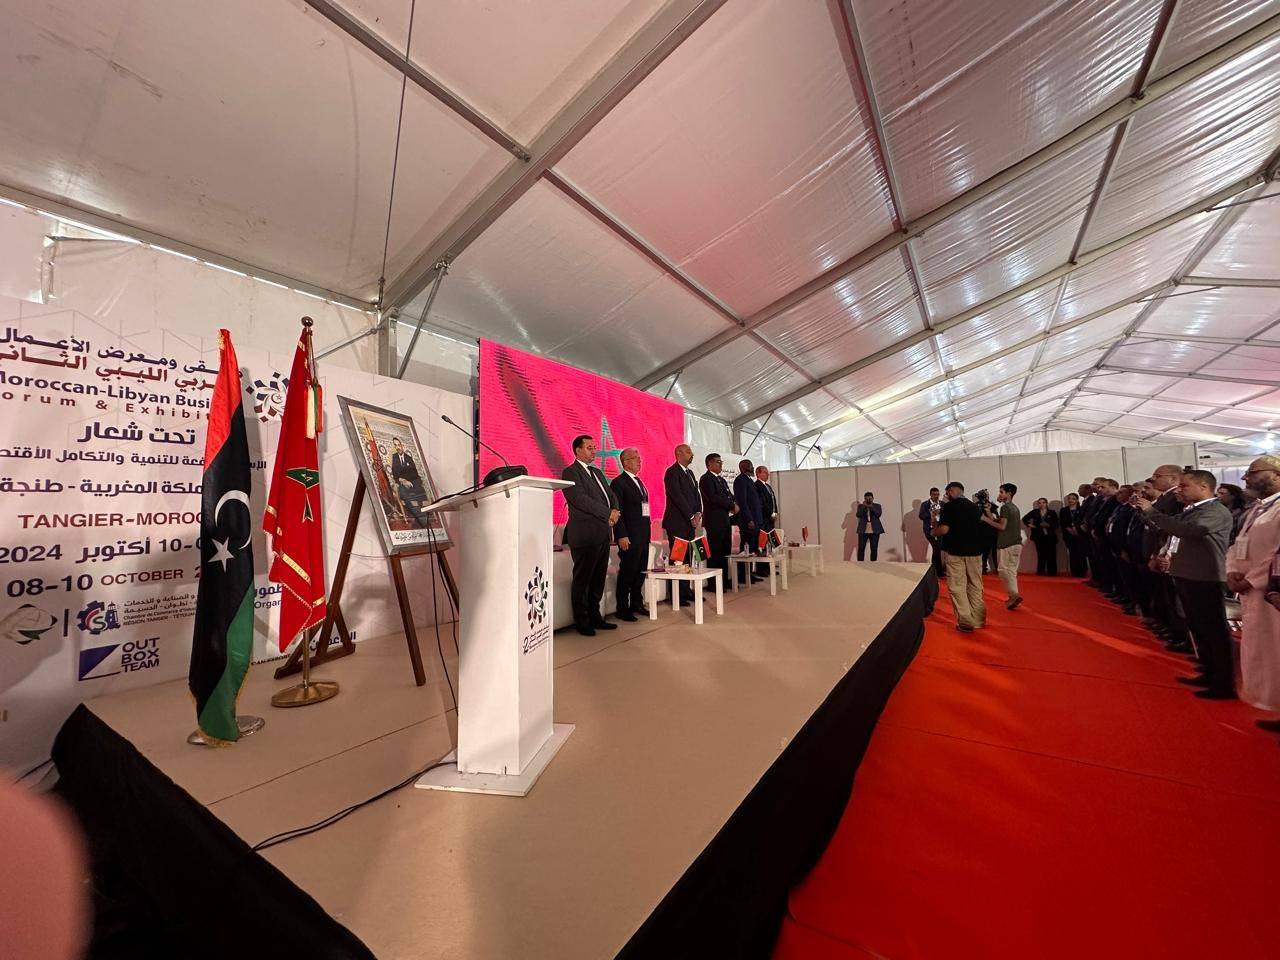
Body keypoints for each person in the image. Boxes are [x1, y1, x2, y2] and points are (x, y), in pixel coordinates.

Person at [1132, 469, 1235, 699]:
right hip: (1189, 574)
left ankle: (1222, 682)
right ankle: (1208, 670)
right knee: (1198, 627)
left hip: (1206, 577)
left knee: (1213, 630)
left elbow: (1187, 530)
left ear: (1203, 487)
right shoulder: (1193, 510)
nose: (1179, 490)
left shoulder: (1214, 511)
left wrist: (1152, 512)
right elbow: (1169, 527)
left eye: (1184, 486)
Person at [1226, 457, 1280, 731]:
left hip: (1271, 591)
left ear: (1276, 474)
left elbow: (1276, 553)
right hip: (1251, 590)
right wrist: (1232, 570)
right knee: (1267, 653)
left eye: (1253, 472)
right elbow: (1239, 544)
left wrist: (1251, 579)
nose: (1245, 478)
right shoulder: (1257, 509)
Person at [561, 435, 619, 637]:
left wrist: (615, 512)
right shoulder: (570, 472)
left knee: (597, 579)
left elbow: (611, 495)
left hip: (602, 533)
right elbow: (581, 499)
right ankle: (582, 620)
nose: (594, 451)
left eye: (595, 447)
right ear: (578, 450)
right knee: (583, 579)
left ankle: (596, 617)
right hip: (585, 534)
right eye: (589, 447)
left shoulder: (597, 472)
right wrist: (607, 513)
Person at [1144, 464, 1191, 651]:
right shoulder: (1166, 498)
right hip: (1163, 550)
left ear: (1173, 478)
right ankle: (1173, 628)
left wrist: (1164, 553)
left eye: (1158, 476)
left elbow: (1170, 529)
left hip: (1176, 556)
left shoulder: (1174, 500)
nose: (1153, 479)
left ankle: (1181, 633)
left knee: (1178, 600)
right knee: (1168, 596)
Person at [933, 482, 986, 633]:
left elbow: (944, 529)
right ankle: (979, 620)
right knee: (975, 585)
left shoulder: (949, 507)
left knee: (957, 587)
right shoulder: (974, 507)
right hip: (975, 551)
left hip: (956, 551)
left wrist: (934, 531)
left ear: (950, 491)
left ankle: (965, 621)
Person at [610, 447, 650, 622]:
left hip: (643, 534)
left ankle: (636, 602)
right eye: (635, 458)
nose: (639, 460)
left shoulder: (639, 481)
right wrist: (621, 535)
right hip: (629, 535)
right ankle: (622, 607)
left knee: (640, 571)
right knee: (628, 571)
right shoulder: (619, 483)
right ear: (625, 462)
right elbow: (617, 511)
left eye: (639, 457)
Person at [663, 444, 703, 602]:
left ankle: (686, 590)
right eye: (688, 452)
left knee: (688, 557)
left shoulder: (690, 473)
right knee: (678, 558)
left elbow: (696, 495)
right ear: (678, 454)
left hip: (689, 523)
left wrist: (698, 512)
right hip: (677, 522)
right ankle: (676, 594)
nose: (692, 454)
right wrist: (691, 516)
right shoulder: (672, 472)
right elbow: (677, 496)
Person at [982, 483, 1023, 610]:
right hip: (1015, 544)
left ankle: (1014, 595)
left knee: (1004, 570)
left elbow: (1001, 526)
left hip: (1007, 544)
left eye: (1001, 492)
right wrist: (988, 512)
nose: (999, 494)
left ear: (1009, 493)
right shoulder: (1013, 508)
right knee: (1010, 572)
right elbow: (999, 521)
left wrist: (985, 519)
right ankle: (1013, 596)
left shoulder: (1006, 507)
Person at [699, 453, 737, 583]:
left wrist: (735, 504)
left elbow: (729, 496)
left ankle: (724, 580)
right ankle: (714, 583)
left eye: (721, 462)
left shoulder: (721, 480)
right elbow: (713, 498)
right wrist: (731, 505)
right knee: (716, 552)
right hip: (714, 521)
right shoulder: (706, 479)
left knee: (725, 551)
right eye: (717, 461)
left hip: (725, 520)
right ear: (709, 464)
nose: (720, 464)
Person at [734, 458, 764, 556]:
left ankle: (752, 566)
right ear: (744, 468)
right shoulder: (740, 480)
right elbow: (742, 502)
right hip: (748, 521)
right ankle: (743, 567)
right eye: (750, 466)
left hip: (756, 519)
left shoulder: (749, 480)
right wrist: (749, 519)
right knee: (747, 548)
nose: (753, 468)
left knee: (754, 548)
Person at [1023, 497, 1059, 575]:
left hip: (1050, 536)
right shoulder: (1035, 512)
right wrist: (1029, 525)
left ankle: (1052, 572)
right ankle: (1041, 571)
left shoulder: (1052, 512)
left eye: (1043, 502)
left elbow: (1056, 524)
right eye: (1039, 503)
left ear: (1046, 503)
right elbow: (1024, 519)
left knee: (1051, 554)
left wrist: (1048, 525)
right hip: (1038, 536)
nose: (1041, 504)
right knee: (1041, 554)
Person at [1059, 491, 1088, 577]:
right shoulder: (1064, 510)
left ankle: (1083, 571)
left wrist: (1077, 530)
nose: (1071, 500)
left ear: (1077, 500)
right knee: (1072, 553)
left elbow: (1084, 520)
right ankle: (1074, 572)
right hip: (1069, 535)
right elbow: (1062, 522)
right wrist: (1070, 530)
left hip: (1080, 534)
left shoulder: (1081, 509)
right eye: (1069, 499)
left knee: (1081, 553)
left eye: (1073, 499)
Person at [919, 487, 946, 578]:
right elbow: (921, 516)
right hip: (929, 530)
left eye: (937, 494)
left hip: (940, 530)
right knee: (936, 548)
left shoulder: (942, 504)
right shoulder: (925, 504)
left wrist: (941, 512)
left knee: (937, 549)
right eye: (934, 494)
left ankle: (936, 571)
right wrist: (931, 513)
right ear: (930, 495)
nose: (936, 496)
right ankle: (937, 571)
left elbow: (946, 515)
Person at [855, 492, 883, 561]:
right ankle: (860, 563)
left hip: (875, 529)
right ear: (864, 498)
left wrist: (871, 507)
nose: (868, 500)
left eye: (870, 498)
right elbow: (858, 515)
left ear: (873, 498)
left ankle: (873, 564)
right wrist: (864, 506)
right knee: (861, 547)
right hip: (863, 529)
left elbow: (878, 514)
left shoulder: (877, 506)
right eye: (866, 498)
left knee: (874, 548)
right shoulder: (861, 506)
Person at [756, 466, 778, 534]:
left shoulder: (768, 486)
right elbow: (762, 502)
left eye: (767, 473)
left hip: (771, 518)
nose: (768, 474)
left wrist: (775, 512)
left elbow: (773, 500)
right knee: (765, 537)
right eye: (765, 472)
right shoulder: (757, 485)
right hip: (764, 518)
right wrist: (771, 513)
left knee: (771, 537)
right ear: (758, 473)